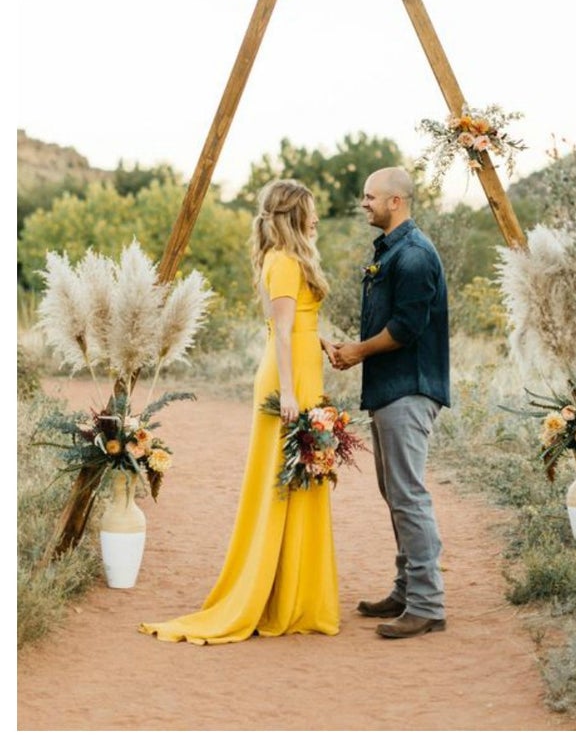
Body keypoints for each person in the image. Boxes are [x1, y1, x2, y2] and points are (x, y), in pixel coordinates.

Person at [141, 178, 340, 644]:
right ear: (294, 217)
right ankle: (278, 594)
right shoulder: (286, 262)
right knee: (286, 478)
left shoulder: (288, 259)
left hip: (301, 368)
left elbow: (295, 327)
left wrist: (321, 340)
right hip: (287, 381)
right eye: (310, 211)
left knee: (303, 476)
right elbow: (283, 332)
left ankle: (294, 589)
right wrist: (289, 394)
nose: (316, 219)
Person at [328, 166, 451, 639]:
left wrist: (357, 351)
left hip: (409, 388)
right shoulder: (393, 250)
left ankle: (427, 604)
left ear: (395, 201)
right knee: (396, 494)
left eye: (369, 197)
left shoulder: (415, 255)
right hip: (389, 388)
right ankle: (406, 590)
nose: (364, 203)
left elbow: (406, 328)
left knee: (409, 495)